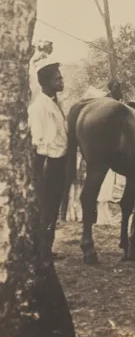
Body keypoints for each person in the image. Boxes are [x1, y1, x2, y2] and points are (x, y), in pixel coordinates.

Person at [27, 61, 68, 249]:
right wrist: (44, 166)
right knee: (46, 207)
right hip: (47, 162)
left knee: (53, 208)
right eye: (57, 79)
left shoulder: (55, 103)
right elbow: (38, 139)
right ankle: (42, 250)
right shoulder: (39, 107)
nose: (61, 81)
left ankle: (47, 248)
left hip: (59, 160)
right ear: (46, 82)